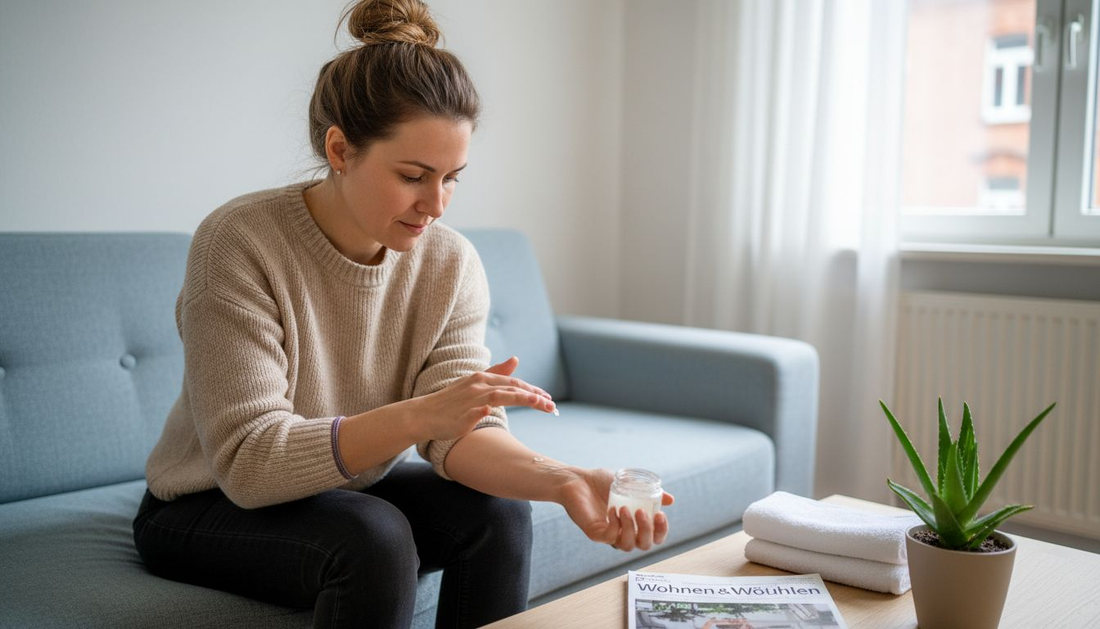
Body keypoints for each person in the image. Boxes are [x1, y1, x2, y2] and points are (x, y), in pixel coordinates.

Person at [132, 1, 673, 627]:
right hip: (203, 506)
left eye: (452, 178)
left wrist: (565, 479)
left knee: (498, 511)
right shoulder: (239, 243)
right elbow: (251, 465)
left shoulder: (449, 263)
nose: (436, 204)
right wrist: (420, 413)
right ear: (340, 149)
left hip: (340, 491)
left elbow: (459, 434)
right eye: (415, 175)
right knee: (375, 536)